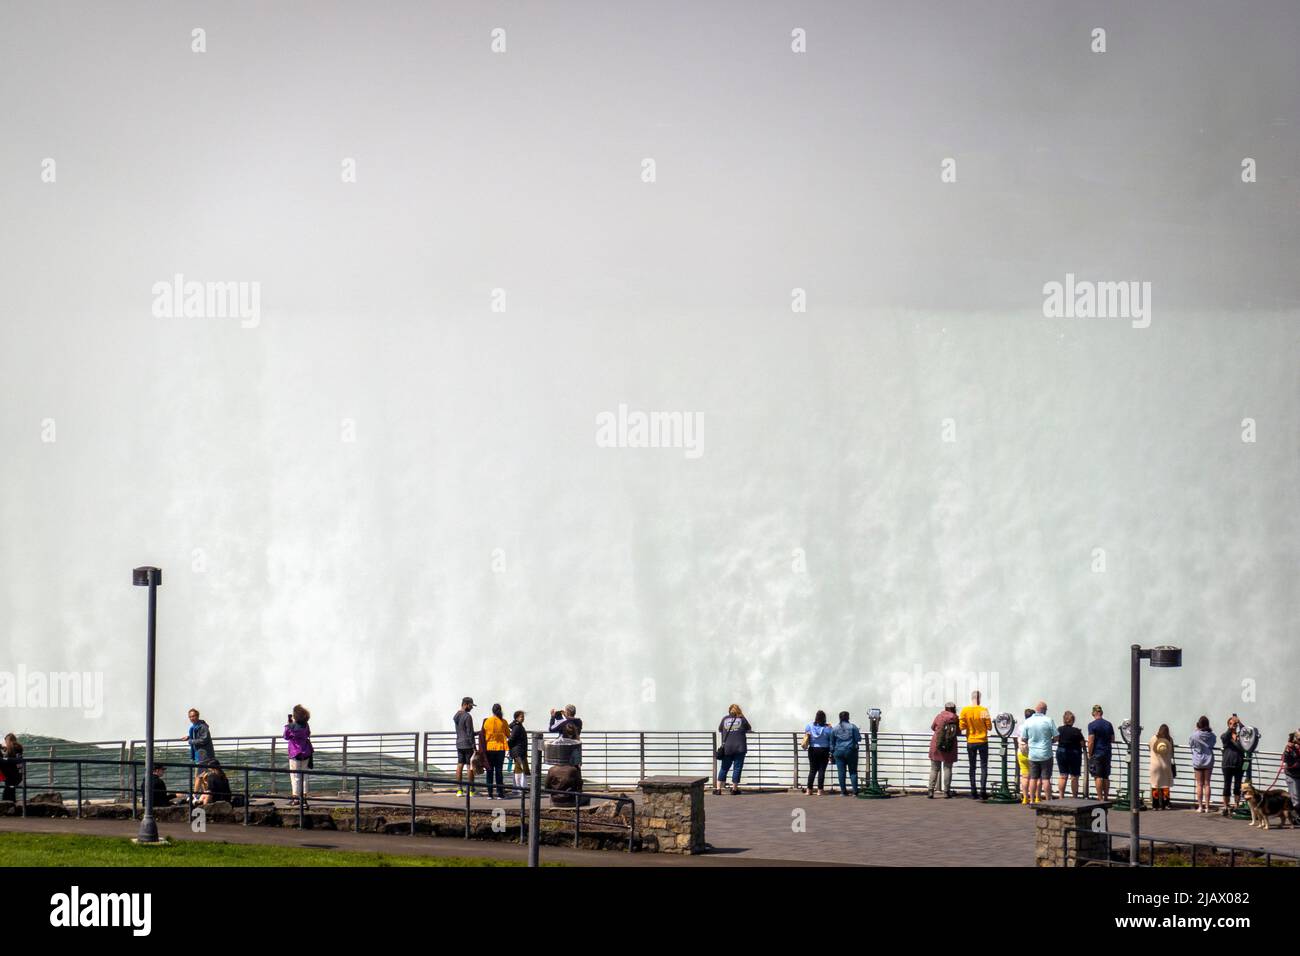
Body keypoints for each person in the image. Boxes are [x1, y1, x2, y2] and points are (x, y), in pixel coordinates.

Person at [1021, 701, 1058, 805]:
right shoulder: (1049, 720)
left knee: (1033, 778)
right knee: (1046, 779)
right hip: (1046, 753)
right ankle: (1049, 801)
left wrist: (1032, 741)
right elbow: (1056, 737)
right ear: (1044, 710)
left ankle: (1032, 800)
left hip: (1033, 754)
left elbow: (1024, 738)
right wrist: (1050, 741)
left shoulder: (1028, 721)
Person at [959, 691, 993, 799]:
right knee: (983, 766)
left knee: (972, 767)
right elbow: (989, 727)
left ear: (972, 698)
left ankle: (973, 791)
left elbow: (962, 727)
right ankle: (983, 791)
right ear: (980, 698)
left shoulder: (965, 710)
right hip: (982, 741)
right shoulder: (983, 710)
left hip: (971, 742)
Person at [715, 704, 751, 795]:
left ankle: (718, 789)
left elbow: (720, 729)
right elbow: (749, 728)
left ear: (729, 711)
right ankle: (734, 789)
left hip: (727, 747)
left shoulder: (725, 719)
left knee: (724, 768)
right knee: (737, 768)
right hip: (740, 747)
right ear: (738, 710)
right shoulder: (742, 719)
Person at [928, 702, 960, 798]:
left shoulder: (939, 716)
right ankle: (946, 792)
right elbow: (958, 731)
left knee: (934, 769)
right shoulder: (956, 718)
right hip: (950, 746)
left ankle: (930, 791)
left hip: (937, 745)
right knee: (948, 768)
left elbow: (933, 727)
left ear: (945, 708)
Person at [283, 705, 313, 806]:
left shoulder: (290, 727)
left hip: (295, 754)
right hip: (306, 753)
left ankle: (295, 799)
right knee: (304, 776)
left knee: (295, 776)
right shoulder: (306, 725)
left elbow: (286, 736)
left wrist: (289, 724)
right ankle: (304, 797)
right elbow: (308, 734)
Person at [1086, 705, 1115, 801]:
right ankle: (1106, 797)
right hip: (1107, 752)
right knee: (1106, 776)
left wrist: (1089, 754)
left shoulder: (1092, 725)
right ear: (1101, 713)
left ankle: (1100, 798)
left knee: (1098, 776)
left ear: (1093, 713)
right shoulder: (1108, 724)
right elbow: (1112, 739)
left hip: (1097, 752)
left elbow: (1091, 741)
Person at [1188, 716, 1217, 813]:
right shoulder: (1212, 735)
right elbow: (1213, 744)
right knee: (1207, 784)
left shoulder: (1195, 735)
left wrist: (1196, 731)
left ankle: (1200, 807)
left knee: (1199, 784)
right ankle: (1208, 807)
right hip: (1208, 760)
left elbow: (1190, 743)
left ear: (1199, 724)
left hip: (1198, 761)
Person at [482, 703, 510, 800]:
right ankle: (500, 793)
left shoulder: (487, 721)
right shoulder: (503, 721)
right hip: (500, 749)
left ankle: (490, 794)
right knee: (499, 772)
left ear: (492, 711)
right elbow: (508, 734)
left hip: (489, 748)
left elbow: (483, 734)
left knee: (489, 771)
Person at [1055, 711, 1085, 798]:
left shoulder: (1059, 729)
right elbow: (1082, 744)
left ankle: (1061, 796)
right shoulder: (1077, 731)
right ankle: (1074, 797)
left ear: (1064, 720)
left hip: (1061, 753)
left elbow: (1055, 739)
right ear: (1073, 720)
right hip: (1074, 755)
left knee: (1063, 776)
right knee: (1074, 777)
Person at [1220, 715, 1245, 817]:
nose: (1233, 725)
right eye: (1230, 723)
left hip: (1239, 764)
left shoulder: (1241, 736)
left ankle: (1237, 806)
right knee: (1227, 785)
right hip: (1227, 764)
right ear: (1228, 725)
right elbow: (1224, 738)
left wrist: (1240, 722)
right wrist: (1230, 729)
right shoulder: (1225, 736)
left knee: (1237, 786)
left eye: (1234, 724)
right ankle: (1226, 806)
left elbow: (1248, 733)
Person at [830, 711, 861, 796]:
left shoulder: (835, 728)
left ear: (839, 718)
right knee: (853, 771)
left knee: (841, 772)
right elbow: (858, 739)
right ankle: (855, 792)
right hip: (851, 751)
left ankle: (843, 792)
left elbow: (832, 743)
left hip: (838, 752)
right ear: (848, 717)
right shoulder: (853, 727)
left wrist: (832, 753)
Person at [802, 711, 832, 795]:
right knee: (822, 770)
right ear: (824, 718)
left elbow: (806, 734)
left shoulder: (809, 726)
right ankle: (820, 790)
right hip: (824, 750)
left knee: (812, 770)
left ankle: (809, 790)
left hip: (812, 749)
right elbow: (831, 737)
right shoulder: (828, 728)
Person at [453, 697, 477, 796]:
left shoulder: (456, 715)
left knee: (459, 765)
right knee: (469, 766)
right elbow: (469, 733)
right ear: (466, 704)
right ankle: (471, 790)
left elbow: (462, 730)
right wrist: (474, 746)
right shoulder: (467, 716)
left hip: (459, 743)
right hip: (467, 744)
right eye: (471, 705)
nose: (472, 708)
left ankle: (459, 790)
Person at [1149, 724, 1174, 810]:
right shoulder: (1169, 740)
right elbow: (1171, 753)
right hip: (1166, 765)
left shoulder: (1153, 739)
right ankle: (1165, 804)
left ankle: (1155, 805)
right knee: (1165, 785)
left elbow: (1150, 748)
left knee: (1155, 785)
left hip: (1155, 765)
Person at [508, 711, 530, 793]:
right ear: (517, 717)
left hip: (518, 750)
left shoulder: (517, 726)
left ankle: (517, 787)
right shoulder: (517, 727)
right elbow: (512, 739)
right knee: (520, 769)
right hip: (518, 751)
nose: (523, 718)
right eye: (521, 717)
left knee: (518, 769)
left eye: (523, 716)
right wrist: (508, 747)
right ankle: (520, 788)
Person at [0, 734, 24, 802]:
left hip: (12, 776)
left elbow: (7, 760)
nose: (6, 744)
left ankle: (8, 808)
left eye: (6, 741)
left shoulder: (12, 749)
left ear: (9, 741)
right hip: (18, 775)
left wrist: (3, 754)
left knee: (6, 795)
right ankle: (13, 806)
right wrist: (4, 750)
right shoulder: (17, 748)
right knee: (11, 792)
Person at [1282, 730, 1300, 817]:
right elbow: (1285, 759)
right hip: (1292, 775)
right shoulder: (1290, 748)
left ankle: (1292, 815)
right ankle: (1295, 817)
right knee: (1295, 799)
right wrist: (1289, 750)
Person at [1017, 709, 1032, 804]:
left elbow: (1016, 739)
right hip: (1031, 753)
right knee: (1033, 777)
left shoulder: (1020, 727)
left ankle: (1025, 797)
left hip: (1021, 753)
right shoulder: (1033, 727)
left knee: (1024, 777)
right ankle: (1034, 797)